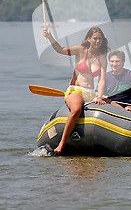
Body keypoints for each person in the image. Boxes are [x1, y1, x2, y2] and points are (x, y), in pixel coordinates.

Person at [43, 26, 109, 155]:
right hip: (76, 90)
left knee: (114, 104)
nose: (97, 41)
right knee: (76, 110)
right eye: (95, 38)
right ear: (89, 39)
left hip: (92, 93)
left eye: (100, 39)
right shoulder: (80, 50)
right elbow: (60, 50)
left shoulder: (102, 57)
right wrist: (50, 37)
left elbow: (102, 80)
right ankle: (62, 143)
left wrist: (100, 96)